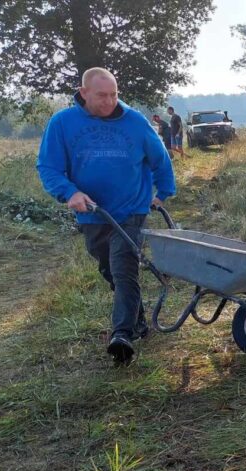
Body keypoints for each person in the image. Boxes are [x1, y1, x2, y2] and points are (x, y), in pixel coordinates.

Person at [37, 67, 176, 364]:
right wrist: (69, 192)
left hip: (131, 209)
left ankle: (122, 335)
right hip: (92, 213)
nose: (110, 101)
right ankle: (136, 318)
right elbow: (47, 167)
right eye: (102, 95)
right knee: (109, 268)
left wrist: (162, 193)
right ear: (84, 92)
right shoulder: (63, 123)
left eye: (114, 94)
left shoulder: (135, 121)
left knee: (124, 267)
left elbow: (160, 159)